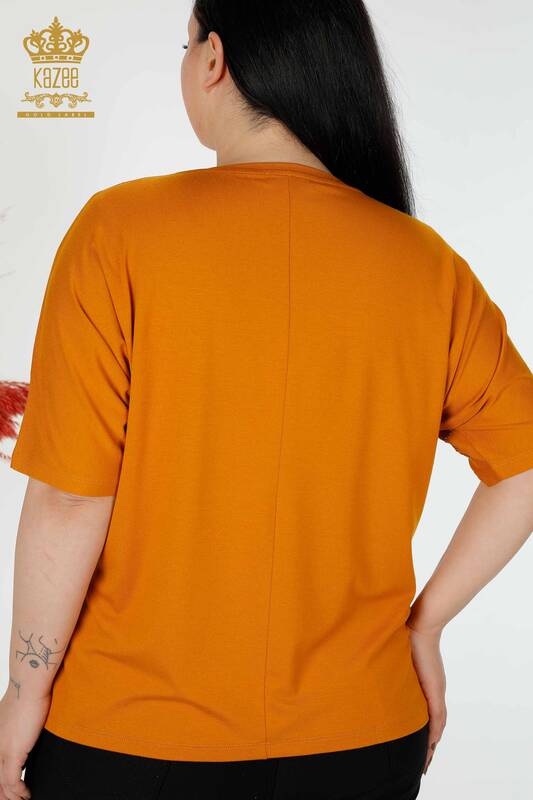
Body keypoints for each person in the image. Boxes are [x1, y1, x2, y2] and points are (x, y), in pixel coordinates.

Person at [3, 1, 533, 798]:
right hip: (363, 737)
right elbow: (523, 462)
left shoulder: (117, 233)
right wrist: (424, 626)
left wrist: (24, 693)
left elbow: (70, 499)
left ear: (213, 59)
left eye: (185, 45)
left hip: (128, 739)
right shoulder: (426, 266)